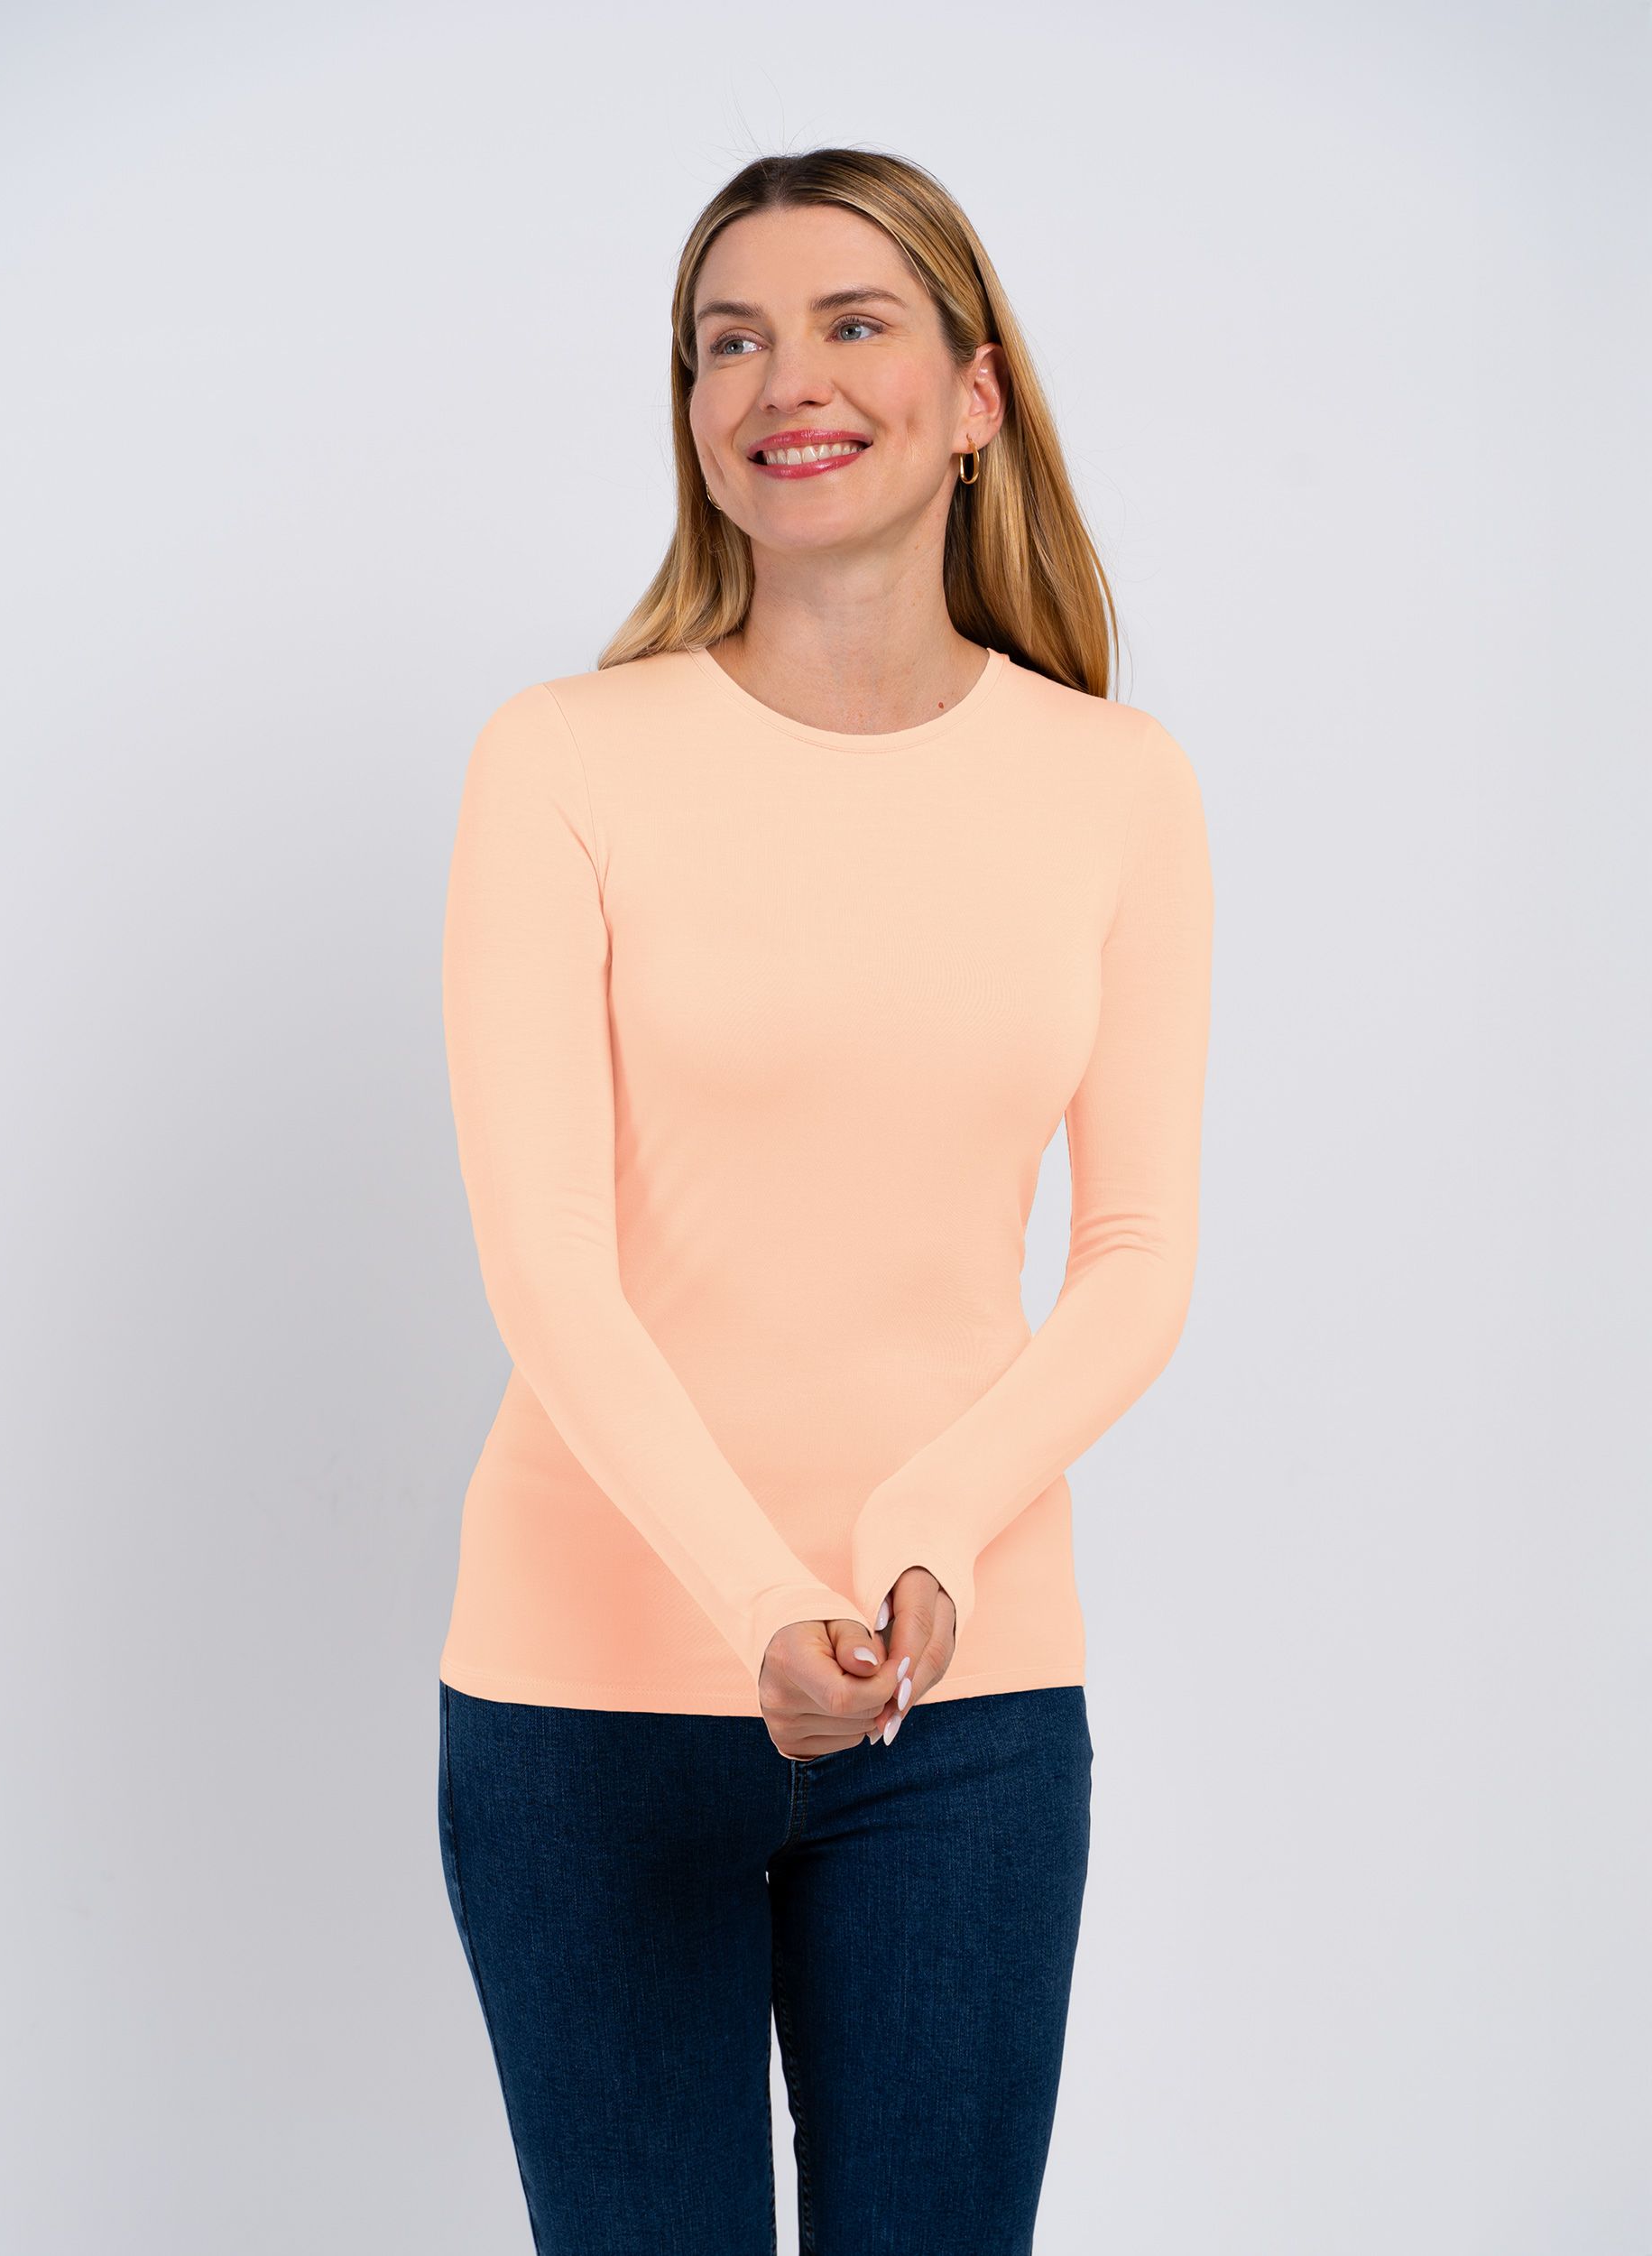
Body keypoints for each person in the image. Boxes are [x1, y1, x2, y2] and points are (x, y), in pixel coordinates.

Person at [434, 144, 1214, 2255]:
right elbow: (546, 1262)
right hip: (590, 1697)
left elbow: (1136, 1257)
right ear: (692, 408)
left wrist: (920, 1538)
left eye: (851, 322)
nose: (784, 377)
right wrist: (762, 1602)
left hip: (966, 1711)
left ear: (975, 395)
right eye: (729, 339)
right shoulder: (562, 759)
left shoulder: (1115, 785)